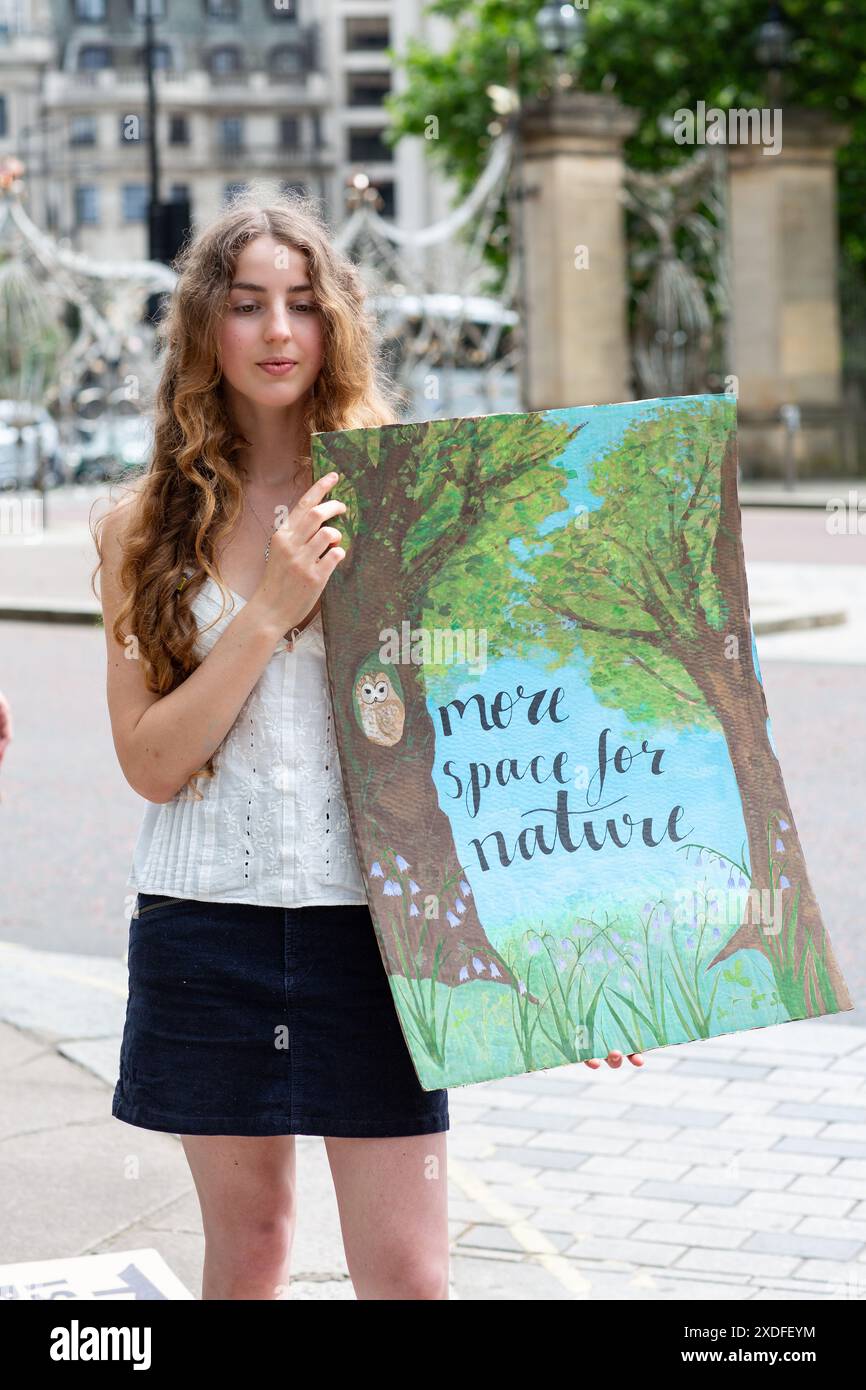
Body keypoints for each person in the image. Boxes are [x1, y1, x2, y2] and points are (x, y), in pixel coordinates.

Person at [92, 183, 641, 1302]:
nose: (278, 331)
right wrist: (268, 611)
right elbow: (151, 762)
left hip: (377, 937)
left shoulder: (412, 495)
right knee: (246, 1257)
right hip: (208, 931)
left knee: (407, 1276)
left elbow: (507, 725)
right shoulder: (140, 525)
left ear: (335, 318)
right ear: (205, 324)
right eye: (246, 304)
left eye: (301, 302)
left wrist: (577, 949)